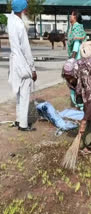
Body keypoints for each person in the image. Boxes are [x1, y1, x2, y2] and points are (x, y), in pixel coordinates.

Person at [7, 0, 37, 131]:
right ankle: (23, 125)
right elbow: (26, 50)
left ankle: (19, 120)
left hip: (14, 62)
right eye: (26, 9)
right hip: (22, 62)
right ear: (23, 11)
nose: (27, 11)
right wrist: (33, 68)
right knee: (25, 93)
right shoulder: (20, 26)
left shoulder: (10, 21)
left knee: (19, 93)